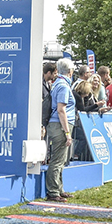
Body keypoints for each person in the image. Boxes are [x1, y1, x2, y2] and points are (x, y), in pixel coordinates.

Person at [45, 58, 76, 202]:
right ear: (70, 71)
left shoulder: (58, 83)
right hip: (60, 125)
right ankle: (53, 192)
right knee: (58, 160)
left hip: (57, 124)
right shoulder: (63, 86)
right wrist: (67, 133)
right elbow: (61, 110)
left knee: (61, 159)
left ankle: (58, 188)